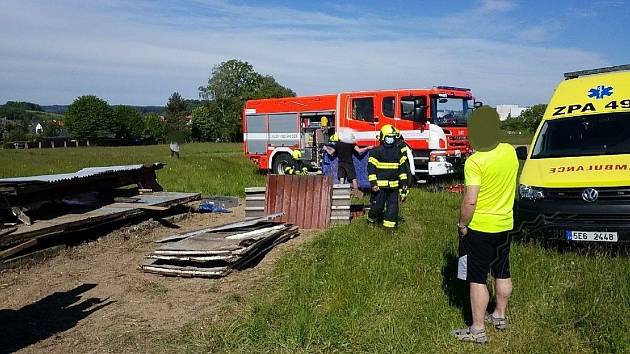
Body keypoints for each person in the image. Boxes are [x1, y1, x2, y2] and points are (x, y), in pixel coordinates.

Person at [451, 107, 519, 344]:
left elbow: (470, 200)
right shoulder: (510, 152)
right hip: (505, 224)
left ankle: (477, 330)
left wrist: (461, 224)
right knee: (502, 270)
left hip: (480, 227)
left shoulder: (475, 161)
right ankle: (499, 316)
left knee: (477, 278)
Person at [366, 125, 409, 228]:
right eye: (388, 137)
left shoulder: (398, 152)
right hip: (380, 187)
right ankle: (371, 220)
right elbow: (371, 170)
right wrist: (373, 184)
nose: (391, 139)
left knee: (393, 209)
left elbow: (402, 171)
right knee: (377, 207)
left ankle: (388, 230)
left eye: (392, 137)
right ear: (383, 137)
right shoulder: (376, 151)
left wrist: (403, 186)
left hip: (393, 187)